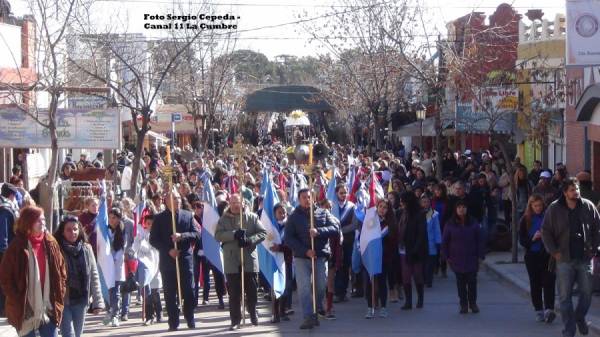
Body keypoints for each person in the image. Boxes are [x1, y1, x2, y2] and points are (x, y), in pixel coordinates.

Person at [542, 178, 600, 337]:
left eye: (577, 189)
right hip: (564, 259)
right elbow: (545, 231)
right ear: (565, 192)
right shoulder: (554, 209)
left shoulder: (587, 206)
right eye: (572, 190)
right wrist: (553, 251)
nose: (576, 192)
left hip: (584, 257)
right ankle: (569, 329)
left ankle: (579, 316)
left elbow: (597, 229)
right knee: (564, 296)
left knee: (587, 293)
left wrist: (594, 248)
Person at [0, 206, 67, 337]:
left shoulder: (51, 243)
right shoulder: (17, 246)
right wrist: (16, 297)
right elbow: (5, 277)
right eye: (38, 220)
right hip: (25, 310)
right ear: (27, 223)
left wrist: (60, 291)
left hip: (49, 307)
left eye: (43, 220)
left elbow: (62, 270)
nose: (42, 223)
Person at [285, 188, 340, 330]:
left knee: (321, 285)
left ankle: (317, 306)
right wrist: (305, 251)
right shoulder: (293, 217)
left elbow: (336, 227)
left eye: (309, 197)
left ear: (313, 198)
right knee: (303, 287)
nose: (307, 199)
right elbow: (289, 238)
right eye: (303, 197)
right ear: (299, 199)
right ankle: (308, 316)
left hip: (320, 255)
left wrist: (319, 231)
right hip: (302, 257)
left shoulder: (323, 212)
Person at [150, 189, 200, 331]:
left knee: (189, 291)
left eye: (178, 198)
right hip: (168, 261)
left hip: (185, 259)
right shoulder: (159, 218)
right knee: (170, 293)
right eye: (173, 198)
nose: (177, 201)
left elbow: (197, 234)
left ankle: (190, 317)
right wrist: (168, 250)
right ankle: (173, 321)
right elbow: (153, 239)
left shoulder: (188, 215)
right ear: (166, 201)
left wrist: (182, 236)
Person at [215, 193, 266, 330]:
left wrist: (250, 240)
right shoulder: (223, 219)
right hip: (232, 261)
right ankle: (235, 319)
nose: (235, 205)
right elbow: (218, 235)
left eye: (237, 202)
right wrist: (233, 235)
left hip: (249, 259)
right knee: (234, 294)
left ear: (243, 203)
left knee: (252, 291)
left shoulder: (252, 217)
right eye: (232, 203)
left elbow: (262, 233)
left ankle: (252, 312)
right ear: (229, 204)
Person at [54, 216, 104, 337]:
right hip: (63, 301)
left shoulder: (87, 249)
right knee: (68, 334)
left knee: (77, 334)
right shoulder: (56, 250)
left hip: (81, 300)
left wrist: (98, 301)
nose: (73, 232)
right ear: (62, 231)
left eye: (75, 229)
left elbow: (94, 275)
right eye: (69, 230)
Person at [441, 200, 485, 314]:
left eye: (464, 207)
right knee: (460, 283)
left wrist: (481, 255)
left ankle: (473, 303)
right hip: (456, 259)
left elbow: (480, 240)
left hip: (472, 258)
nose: (461, 209)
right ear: (456, 209)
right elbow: (445, 242)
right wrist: (446, 257)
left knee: (472, 282)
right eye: (459, 207)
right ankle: (463, 304)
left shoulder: (473, 222)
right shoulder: (450, 224)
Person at [518, 195, 556, 323]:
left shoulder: (548, 218)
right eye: (535, 206)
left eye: (540, 205)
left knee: (549, 282)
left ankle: (549, 309)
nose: (538, 208)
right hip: (532, 256)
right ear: (531, 206)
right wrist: (532, 239)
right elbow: (522, 240)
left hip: (547, 255)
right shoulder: (525, 220)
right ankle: (538, 309)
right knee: (535, 283)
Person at [363, 199, 397, 319]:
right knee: (370, 282)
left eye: (385, 207)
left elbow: (393, 242)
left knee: (382, 282)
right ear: (376, 207)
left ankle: (383, 307)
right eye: (380, 207)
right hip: (371, 256)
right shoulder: (371, 221)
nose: (382, 209)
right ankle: (369, 307)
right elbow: (365, 236)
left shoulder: (390, 223)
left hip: (384, 258)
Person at [191, 201, 225, 309]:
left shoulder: (209, 219)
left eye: (200, 208)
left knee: (207, 276)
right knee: (195, 276)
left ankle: (206, 298)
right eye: (196, 208)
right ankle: (195, 299)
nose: (198, 210)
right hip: (197, 251)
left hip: (209, 251)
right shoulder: (192, 220)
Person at [397, 191, 428, 310]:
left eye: (403, 202)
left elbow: (421, 234)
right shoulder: (402, 213)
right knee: (405, 276)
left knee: (417, 275)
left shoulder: (419, 214)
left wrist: (416, 248)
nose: (401, 204)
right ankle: (408, 301)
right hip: (403, 249)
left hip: (415, 250)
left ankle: (420, 299)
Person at [133, 214, 163, 326]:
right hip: (145, 266)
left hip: (156, 265)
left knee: (155, 291)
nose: (150, 226)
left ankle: (159, 311)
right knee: (146, 292)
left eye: (152, 224)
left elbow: (158, 248)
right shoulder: (141, 235)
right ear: (145, 224)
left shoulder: (159, 235)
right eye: (148, 223)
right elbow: (135, 248)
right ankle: (149, 315)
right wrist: (139, 242)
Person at [332, 185, 359, 303]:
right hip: (334, 241)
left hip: (348, 240)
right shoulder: (332, 207)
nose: (343, 195)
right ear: (336, 193)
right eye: (341, 193)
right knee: (337, 265)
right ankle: (337, 291)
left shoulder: (352, 207)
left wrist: (340, 231)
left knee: (346, 264)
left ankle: (342, 292)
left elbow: (354, 225)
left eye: (345, 193)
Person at [102, 208, 128, 327]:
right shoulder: (105, 230)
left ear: (118, 219)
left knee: (115, 291)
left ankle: (115, 315)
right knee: (107, 291)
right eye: (110, 217)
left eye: (114, 218)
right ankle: (109, 312)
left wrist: (114, 259)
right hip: (107, 264)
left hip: (117, 264)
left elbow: (122, 248)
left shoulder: (122, 230)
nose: (111, 220)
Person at [269, 203, 293, 323]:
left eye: (284, 212)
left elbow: (293, 244)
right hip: (274, 261)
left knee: (286, 287)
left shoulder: (290, 226)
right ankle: (275, 313)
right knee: (275, 287)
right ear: (274, 214)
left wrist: (281, 248)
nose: (282, 214)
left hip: (287, 260)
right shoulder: (270, 227)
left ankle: (283, 311)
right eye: (279, 212)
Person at [0, 183, 19, 317]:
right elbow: (3, 233)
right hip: (4, 252)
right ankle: (3, 309)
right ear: (12, 195)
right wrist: (5, 252)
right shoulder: (6, 210)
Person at [421, 195, 442, 288]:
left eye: (427, 202)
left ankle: (429, 280)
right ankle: (423, 279)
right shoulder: (418, 214)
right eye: (423, 202)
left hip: (431, 241)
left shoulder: (434, 214)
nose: (425, 204)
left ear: (430, 203)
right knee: (422, 262)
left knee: (430, 263)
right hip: (421, 241)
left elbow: (437, 229)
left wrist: (438, 241)